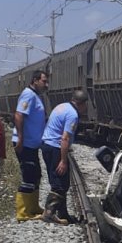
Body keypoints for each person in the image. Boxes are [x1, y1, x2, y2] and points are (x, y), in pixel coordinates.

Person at [41, 89, 89, 224]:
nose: (86, 108)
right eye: (86, 104)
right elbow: (65, 138)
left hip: (47, 145)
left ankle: (63, 214)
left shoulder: (62, 106)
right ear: (81, 103)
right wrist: (63, 160)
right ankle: (49, 212)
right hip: (55, 147)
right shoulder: (73, 115)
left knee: (59, 180)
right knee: (60, 183)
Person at [11, 70, 49, 221]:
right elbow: (19, 115)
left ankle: (33, 207)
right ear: (35, 80)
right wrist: (20, 138)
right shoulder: (28, 95)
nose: (46, 84)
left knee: (36, 174)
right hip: (25, 143)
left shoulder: (35, 96)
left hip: (32, 144)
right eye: (44, 81)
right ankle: (22, 212)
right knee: (28, 175)